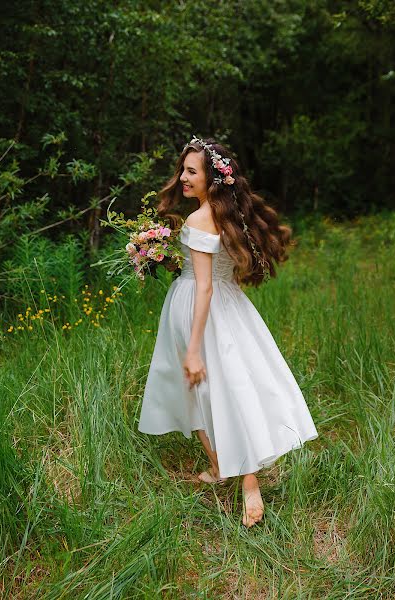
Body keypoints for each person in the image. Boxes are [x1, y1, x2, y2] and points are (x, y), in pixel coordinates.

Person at [138, 136, 319, 528]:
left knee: (203, 389)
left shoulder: (198, 219)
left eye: (192, 171)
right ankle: (220, 464)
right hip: (227, 305)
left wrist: (193, 349)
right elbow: (203, 267)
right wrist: (159, 253)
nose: (183, 177)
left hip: (200, 310)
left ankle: (247, 479)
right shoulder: (222, 214)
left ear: (211, 179)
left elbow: (202, 284)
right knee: (218, 388)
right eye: (182, 169)